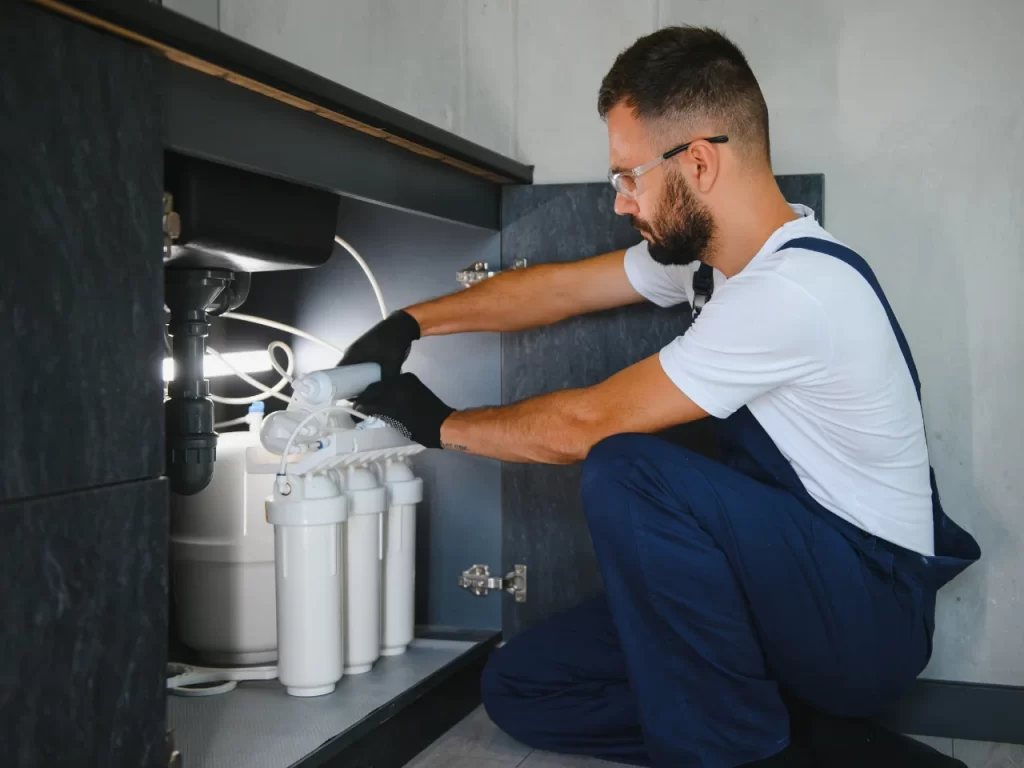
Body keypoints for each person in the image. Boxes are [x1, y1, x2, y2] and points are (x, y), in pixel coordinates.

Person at [346, 26, 980, 768]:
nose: (621, 201)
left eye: (629, 176)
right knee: (524, 684)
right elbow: (561, 289)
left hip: (865, 618)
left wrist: (434, 424)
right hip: (775, 588)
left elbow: (585, 425)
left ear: (700, 162)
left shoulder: (797, 291)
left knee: (628, 469)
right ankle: (801, 738)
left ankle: (738, 750)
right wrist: (409, 322)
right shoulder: (712, 267)